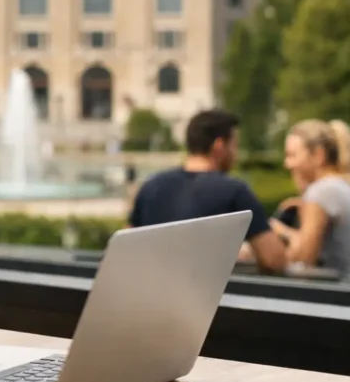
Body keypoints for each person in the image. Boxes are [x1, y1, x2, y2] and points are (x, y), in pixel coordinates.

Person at [127, 109, 286, 273]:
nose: (236, 154)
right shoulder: (233, 191)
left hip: (151, 286)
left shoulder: (150, 186)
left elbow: (127, 249)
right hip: (206, 289)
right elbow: (273, 260)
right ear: (219, 146)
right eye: (234, 146)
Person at [270, 120, 350, 278]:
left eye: (292, 155)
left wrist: (279, 230)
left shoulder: (320, 191)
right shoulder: (339, 185)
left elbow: (304, 261)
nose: (287, 164)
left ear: (318, 155)